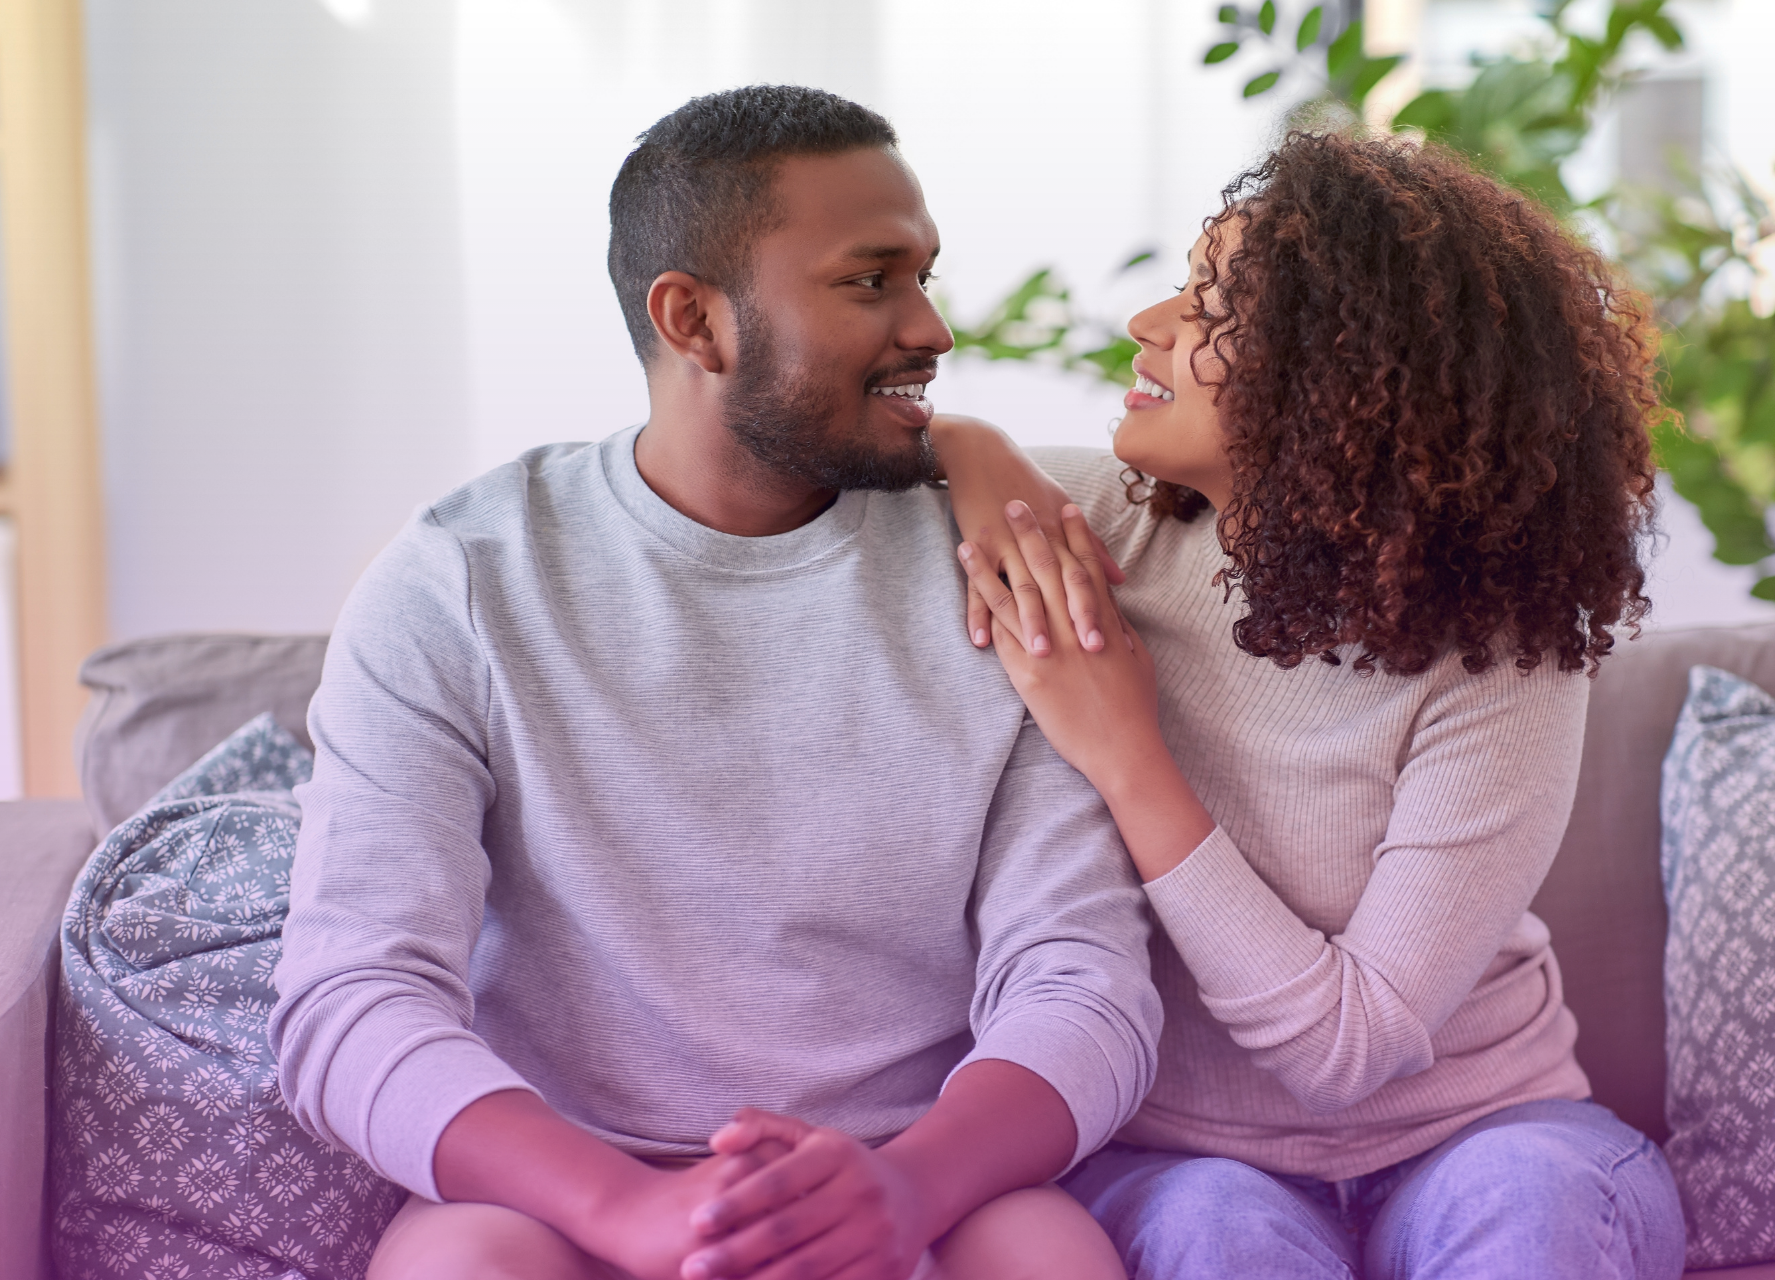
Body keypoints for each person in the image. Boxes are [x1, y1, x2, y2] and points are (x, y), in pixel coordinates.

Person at [269, 85, 1160, 1280]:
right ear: (694, 320)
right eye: (869, 280)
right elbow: (350, 999)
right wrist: (630, 1210)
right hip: (571, 1198)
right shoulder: (460, 583)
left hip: (918, 1182)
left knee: (1045, 1251)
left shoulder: (1002, 563)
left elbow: (1081, 975)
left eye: (924, 276)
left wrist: (904, 1183)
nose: (934, 327)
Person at [932, 130, 1688, 1279]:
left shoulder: (1499, 655)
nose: (1151, 322)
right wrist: (971, 441)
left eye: (1212, 305)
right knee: (1215, 1228)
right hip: (1184, 1163)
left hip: (1487, 1135)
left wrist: (1126, 753)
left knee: (1525, 1203)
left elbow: (1356, 1043)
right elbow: (883, 444)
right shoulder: (1098, 532)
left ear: (1347, 374)